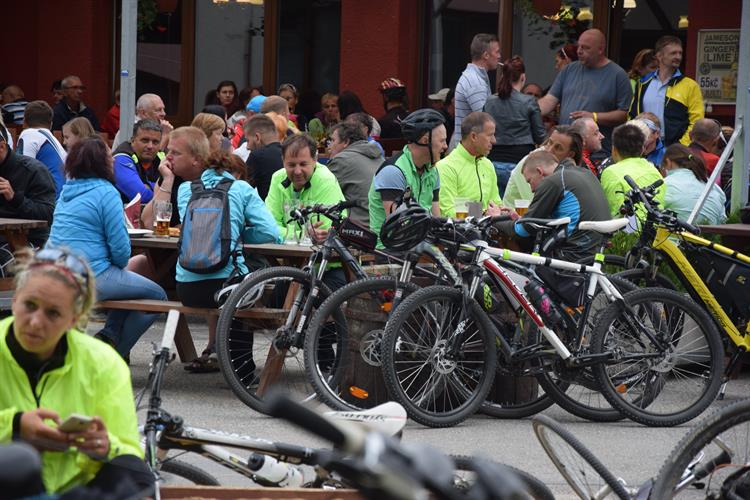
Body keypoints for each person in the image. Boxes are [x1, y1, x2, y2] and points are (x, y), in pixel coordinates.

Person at [0, 247, 152, 495]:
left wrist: (103, 446)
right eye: (30, 305)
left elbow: (127, 451)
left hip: (76, 489)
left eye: (53, 313)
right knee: (20, 460)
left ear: (75, 319)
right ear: (15, 299)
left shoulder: (103, 363)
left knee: (139, 479)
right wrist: (15, 425)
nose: (36, 321)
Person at [47, 137, 167, 358]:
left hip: (55, 270)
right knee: (158, 297)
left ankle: (110, 333)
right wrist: (117, 264)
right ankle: (110, 356)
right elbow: (121, 251)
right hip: (89, 275)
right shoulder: (106, 191)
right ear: (102, 162)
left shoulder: (67, 191)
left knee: (130, 276)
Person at [177, 150, 280, 373]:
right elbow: (271, 233)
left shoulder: (186, 189)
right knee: (246, 290)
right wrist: (239, 235)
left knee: (240, 291)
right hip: (226, 287)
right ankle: (242, 369)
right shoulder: (240, 188)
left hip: (186, 288)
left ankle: (220, 354)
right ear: (236, 174)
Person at [492, 150, 610, 261]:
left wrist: (495, 219)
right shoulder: (583, 172)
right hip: (595, 248)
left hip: (574, 253)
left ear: (540, 172)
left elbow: (524, 230)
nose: (532, 189)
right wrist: (519, 219)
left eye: (529, 181)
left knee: (523, 259)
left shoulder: (553, 181)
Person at [538, 29, 632, 159]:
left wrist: (593, 116)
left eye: (585, 48)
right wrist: (529, 109)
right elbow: (550, 100)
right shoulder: (569, 70)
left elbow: (624, 114)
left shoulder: (618, 75)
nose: (579, 51)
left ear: (600, 49)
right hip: (564, 148)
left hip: (597, 153)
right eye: (579, 46)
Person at [368, 109, 447, 244]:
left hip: (421, 246)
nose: (445, 146)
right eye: (442, 141)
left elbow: (436, 217)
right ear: (424, 140)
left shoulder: (432, 170)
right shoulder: (393, 171)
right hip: (390, 252)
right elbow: (398, 229)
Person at [484, 55, 546, 196]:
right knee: (519, 207)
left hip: (492, 162)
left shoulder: (490, 101)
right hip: (520, 165)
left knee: (495, 208)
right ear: (523, 77)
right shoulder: (529, 101)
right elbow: (540, 136)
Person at [266, 134, 346, 238]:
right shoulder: (277, 178)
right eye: (291, 165)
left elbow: (323, 232)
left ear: (315, 159)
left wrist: (288, 234)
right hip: (285, 249)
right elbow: (269, 227)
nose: (297, 171)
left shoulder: (325, 180)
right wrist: (301, 235)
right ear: (283, 161)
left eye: (303, 164)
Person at [630, 36, 704, 147]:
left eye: (680, 53)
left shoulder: (690, 85)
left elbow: (697, 121)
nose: (678, 57)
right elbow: (632, 115)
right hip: (644, 147)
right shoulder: (643, 83)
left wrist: (681, 147)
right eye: (673, 53)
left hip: (675, 149)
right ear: (659, 56)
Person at [436, 111, 501, 218]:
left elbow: (496, 203)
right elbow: (447, 212)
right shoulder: (446, 167)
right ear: (474, 136)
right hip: (459, 233)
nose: (494, 140)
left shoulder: (488, 164)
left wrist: (504, 211)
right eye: (490, 135)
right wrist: (483, 213)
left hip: (488, 230)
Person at [0, 127, 56, 248]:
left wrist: (15, 198)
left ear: (2, 146)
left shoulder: (33, 170)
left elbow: (49, 214)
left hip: (28, 242)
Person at [600, 122, 665, 219]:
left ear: (614, 149)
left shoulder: (610, 172)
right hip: (656, 230)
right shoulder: (653, 169)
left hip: (628, 232)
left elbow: (615, 215)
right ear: (642, 149)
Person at [450, 33, 501, 150]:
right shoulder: (475, 82)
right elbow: (485, 120)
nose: (499, 56)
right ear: (486, 55)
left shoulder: (474, 77)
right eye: (497, 52)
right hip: (467, 151)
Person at [326, 121, 382, 226]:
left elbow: (320, 192)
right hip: (382, 227)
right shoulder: (379, 157)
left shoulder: (341, 160)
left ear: (346, 142)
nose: (330, 146)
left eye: (333, 141)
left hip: (358, 229)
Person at [661, 144, 726, 225]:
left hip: (674, 236)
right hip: (709, 236)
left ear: (668, 162)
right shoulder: (715, 188)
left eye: (663, 167)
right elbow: (722, 220)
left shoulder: (665, 184)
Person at [16, 101, 67, 198]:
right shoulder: (53, 141)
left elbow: (22, 173)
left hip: (49, 200)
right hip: (61, 199)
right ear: (51, 124)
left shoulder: (28, 134)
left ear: (24, 122)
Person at [112, 119, 162, 203]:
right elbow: (142, 197)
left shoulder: (161, 156)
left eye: (155, 142)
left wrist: (148, 186)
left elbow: (178, 190)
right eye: (145, 140)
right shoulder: (121, 159)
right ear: (132, 140)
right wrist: (164, 189)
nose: (150, 146)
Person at [244, 113, 283, 200]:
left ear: (257, 137)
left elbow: (241, 192)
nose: (247, 147)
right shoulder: (289, 153)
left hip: (268, 212)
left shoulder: (257, 156)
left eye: (247, 140)